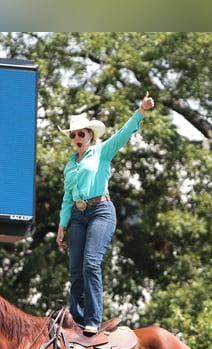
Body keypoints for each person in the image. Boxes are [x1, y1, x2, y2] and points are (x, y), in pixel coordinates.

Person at [56, 91, 155, 335]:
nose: (77, 137)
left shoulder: (101, 152)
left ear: (90, 135)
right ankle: (77, 320)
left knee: (91, 263)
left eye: (81, 133)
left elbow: (123, 134)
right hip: (78, 217)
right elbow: (68, 198)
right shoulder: (70, 164)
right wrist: (61, 225)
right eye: (73, 135)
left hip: (101, 211)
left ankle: (93, 319)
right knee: (75, 269)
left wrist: (140, 111)